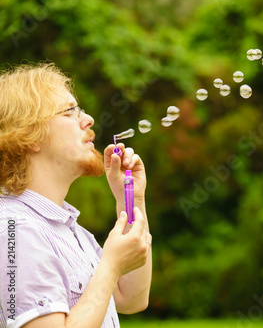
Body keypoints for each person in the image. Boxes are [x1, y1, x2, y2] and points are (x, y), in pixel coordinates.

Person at [0, 63, 152, 328]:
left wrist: (131, 199)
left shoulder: (67, 228)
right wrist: (110, 267)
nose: (88, 119)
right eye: (70, 112)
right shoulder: (16, 230)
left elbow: (132, 298)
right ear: (30, 136)